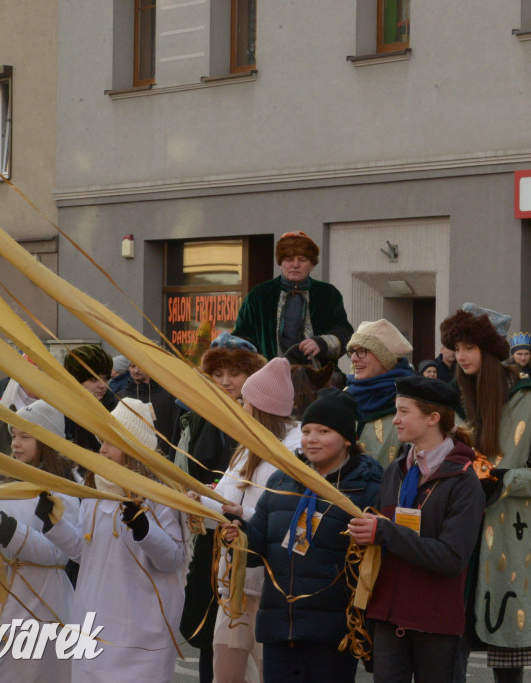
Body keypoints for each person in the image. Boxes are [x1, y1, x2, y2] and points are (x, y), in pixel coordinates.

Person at [440, 303, 531, 682]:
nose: (461, 355)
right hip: (462, 532)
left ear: (491, 351)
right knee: (454, 639)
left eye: (469, 347)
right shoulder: (464, 400)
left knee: (507, 650)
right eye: (457, 347)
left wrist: (502, 479)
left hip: (511, 538)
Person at [221, 389, 382, 682]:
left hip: (332, 629)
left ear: (347, 439)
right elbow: (258, 547)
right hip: (279, 624)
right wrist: (239, 536)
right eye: (307, 431)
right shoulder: (282, 479)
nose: (312, 439)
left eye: (324, 431)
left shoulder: (366, 488)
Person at [38, 398, 188, 682]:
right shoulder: (97, 488)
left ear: (134, 448)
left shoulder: (158, 493)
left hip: (140, 631)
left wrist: (144, 529)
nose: (102, 449)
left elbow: (173, 560)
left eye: (110, 443)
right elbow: (85, 553)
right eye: (101, 442)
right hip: (94, 624)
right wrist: (55, 524)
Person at [348, 376, 485, 683]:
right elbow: (385, 541)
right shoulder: (396, 470)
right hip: (388, 616)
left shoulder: (464, 481)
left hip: (434, 621)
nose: (395, 420)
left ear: (433, 418)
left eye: (403, 411)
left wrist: (384, 533)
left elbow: (451, 558)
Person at [190, 357, 295, 682]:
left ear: (263, 410)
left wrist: (241, 517)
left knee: (265, 672)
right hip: (234, 585)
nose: (240, 409)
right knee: (227, 670)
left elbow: (283, 519)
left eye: (245, 404)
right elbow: (225, 501)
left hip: (270, 587)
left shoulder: (293, 452)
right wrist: (198, 501)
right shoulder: (245, 447)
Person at [0, 399, 78, 683]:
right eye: (13, 436)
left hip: (43, 598)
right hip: (1, 599)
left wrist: (8, 529)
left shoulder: (65, 488)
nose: (15, 444)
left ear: (47, 441)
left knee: (35, 673)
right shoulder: (3, 484)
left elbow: (61, 554)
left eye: (25, 436)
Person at [177, 331, 267, 683]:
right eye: (218, 374)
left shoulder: (259, 420)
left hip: (246, 537)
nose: (226, 381)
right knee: (209, 633)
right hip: (207, 536)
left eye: (235, 373)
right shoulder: (197, 414)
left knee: (249, 636)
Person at [233, 231, 353, 365]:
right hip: (269, 376)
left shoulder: (328, 294)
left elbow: (344, 333)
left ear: (312, 265)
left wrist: (321, 343)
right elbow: (242, 335)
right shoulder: (259, 295)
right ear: (280, 263)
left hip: (318, 376)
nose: (295, 265)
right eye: (289, 259)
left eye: (302, 260)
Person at [345, 319, 415, 466]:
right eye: (352, 352)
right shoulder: (345, 396)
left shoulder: (412, 398)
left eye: (362, 351)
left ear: (385, 358)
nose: (353, 359)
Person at [63, 344, 119, 454]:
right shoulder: (57, 407)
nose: (103, 385)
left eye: (106, 379)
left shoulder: (115, 410)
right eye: (94, 379)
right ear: (75, 381)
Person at [117, 359, 177, 455]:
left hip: (164, 456)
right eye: (133, 366)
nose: (136, 370)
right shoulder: (121, 397)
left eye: (140, 366)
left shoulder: (168, 395)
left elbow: (176, 429)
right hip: (132, 455)